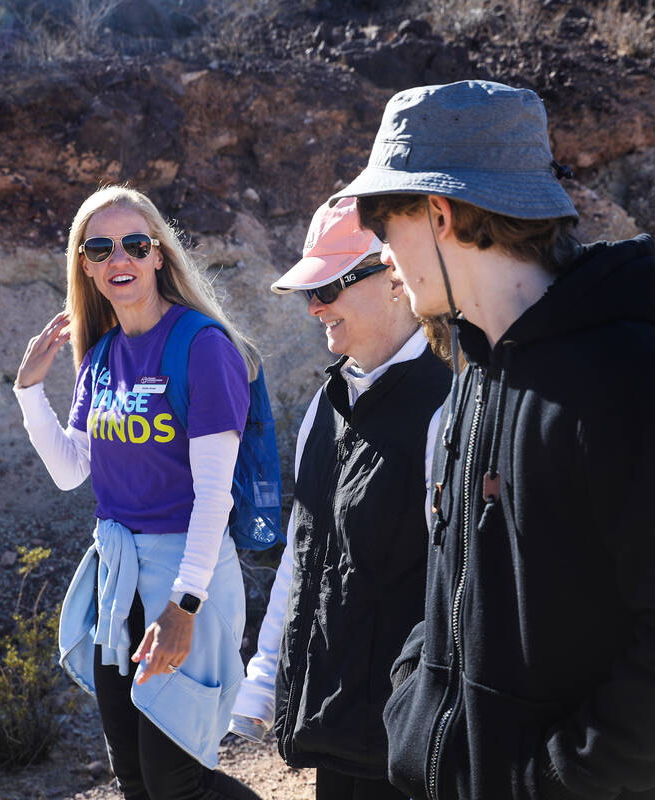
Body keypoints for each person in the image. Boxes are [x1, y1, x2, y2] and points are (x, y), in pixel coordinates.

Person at [334, 80, 655, 800]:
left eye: (385, 229)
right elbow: (454, 581)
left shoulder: (635, 379)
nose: (383, 258)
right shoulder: (476, 376)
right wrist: (416, 704)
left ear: (439, 213)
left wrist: (555, 781)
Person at [13, 186, 262, 800]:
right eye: (100, 247)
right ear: (87, 267)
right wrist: (28, 392)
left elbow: (214, 497)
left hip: (186, 576)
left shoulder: (203, 348)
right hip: (116, 580)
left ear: (158, 255)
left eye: (134, 243)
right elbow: (71, 471)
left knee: (179, 780)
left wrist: (185, 607)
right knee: (134, 778)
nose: (117, 256)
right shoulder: (99, 356)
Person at [228, 198, 451, 799]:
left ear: (393, 276)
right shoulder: (324, 408)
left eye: (330, 286)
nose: (314, 307)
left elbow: (463, 588)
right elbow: (301, 557)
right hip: (336, 724)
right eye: (310, 291)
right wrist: (262, 680)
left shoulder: (449, 409)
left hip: (412, 739)